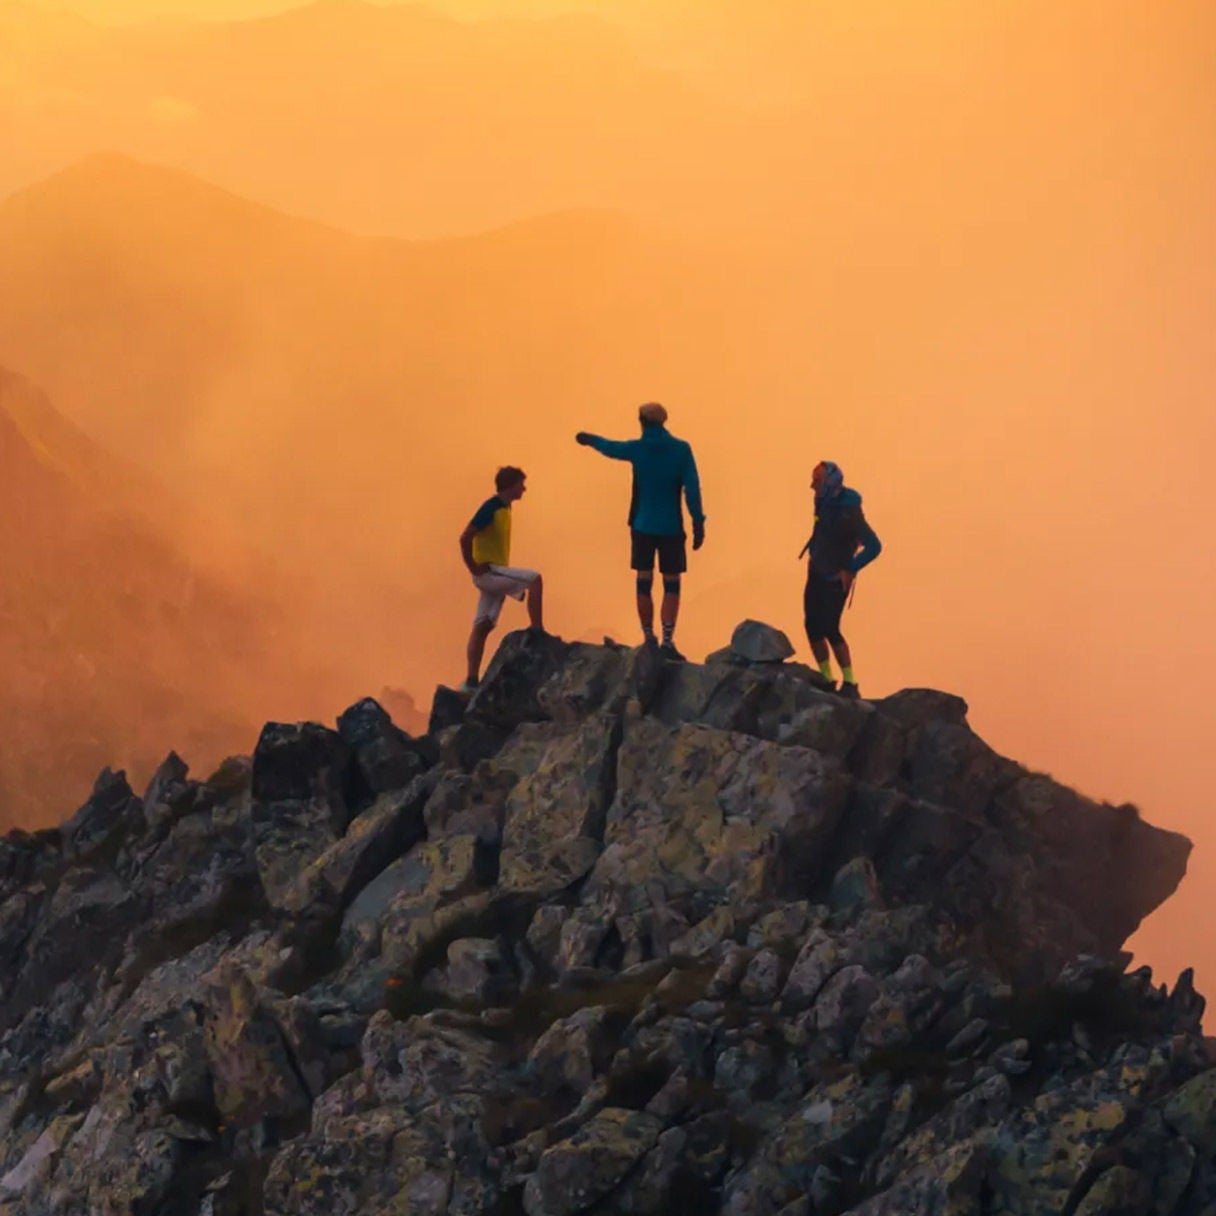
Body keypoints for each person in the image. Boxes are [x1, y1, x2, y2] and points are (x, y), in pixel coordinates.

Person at [575, 402, 704, 660]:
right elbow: (692, 487)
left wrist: (590, 439)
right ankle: (667, 640)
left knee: (644, 581)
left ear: (641, 421)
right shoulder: (681, 449)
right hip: (671, 526)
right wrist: (698, 521)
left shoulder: (638, 448)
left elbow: (611, 447)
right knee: (672, 584)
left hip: (642, 524)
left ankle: (648, 638)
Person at [799, 460, 882, 699]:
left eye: (816, 480)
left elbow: (874, 545)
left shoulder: (849, 513)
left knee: (830, 628)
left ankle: (850, 682)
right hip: (816, 571)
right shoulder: (823, 501)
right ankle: (827, 677)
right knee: (812, 625)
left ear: (828, 484)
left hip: (835, 579)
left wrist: (850, 567)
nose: (811, 485)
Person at [458, 465, 544, 692]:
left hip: (492, 572)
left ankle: (471, 681)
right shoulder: (492, 507)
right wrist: (473, 566)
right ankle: (538, 632)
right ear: (510, 485)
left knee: (482, 625)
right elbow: (465, 537)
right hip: (489, 572)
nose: (524, 489)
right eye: (520, 484)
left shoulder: (504, 508)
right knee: (534, 579)